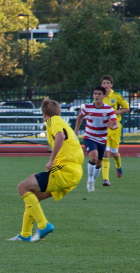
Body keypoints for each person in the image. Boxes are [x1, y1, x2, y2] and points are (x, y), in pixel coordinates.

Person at [7, 98, 84, 242]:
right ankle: (25, 234)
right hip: (74, 172)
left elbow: (60, 136)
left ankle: (43, 225)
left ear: (44, 115)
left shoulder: (52, 121)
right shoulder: (61, 122)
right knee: (33, 196)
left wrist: (51, 159)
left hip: (65, 170)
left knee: (23, 187)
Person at [74, 86, 118, 193]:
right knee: (93, 158)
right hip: (89, 136)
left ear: (104, 96)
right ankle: (89, 180)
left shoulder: (109, 109)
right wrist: (76, 130)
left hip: (102, 138)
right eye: (95, 94)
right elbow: (80, 116)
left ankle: (92, 180)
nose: (96, 96)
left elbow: (115, 124)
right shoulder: (87, 107)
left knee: (99, 163)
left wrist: (112, 126)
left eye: (99, 94)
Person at [100, 75, 129, 186]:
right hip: (104, 128)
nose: (106, 85)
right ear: (101, 85)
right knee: (106, 153)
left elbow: (126, 108)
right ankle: (106, 179)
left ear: (111, 85)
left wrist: (116, 112)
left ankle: (118, 166)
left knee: (115, 154)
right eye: (104, 83)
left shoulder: (116, 96)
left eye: (108, 83)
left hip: (115, 128)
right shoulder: (99, 96)